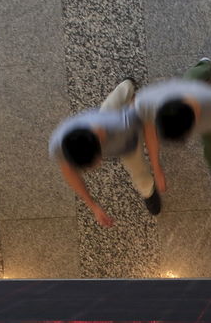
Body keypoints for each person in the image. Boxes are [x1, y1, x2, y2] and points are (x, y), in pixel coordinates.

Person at [49, 79, 164, 227]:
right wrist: (93, 206)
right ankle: (126, 86)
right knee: (114, 101)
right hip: (107, 119)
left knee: (141, 175)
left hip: (127, 143)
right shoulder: (59, 143)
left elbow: (149, 124)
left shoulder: (122, 125)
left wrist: (156, 167)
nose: (96, 166)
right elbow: (69, 171)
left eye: (92, 164)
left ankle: (148, 190)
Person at [133, 58, 211, 196]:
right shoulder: (146, 102)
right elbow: (149, 131)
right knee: (190, 79)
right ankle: (203, 67)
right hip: (193, 96)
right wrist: (156, 168)